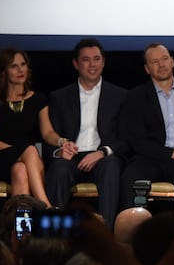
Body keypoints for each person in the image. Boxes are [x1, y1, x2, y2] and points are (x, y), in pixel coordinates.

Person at [44, 38, 128, 230]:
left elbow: (126, 139)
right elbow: (48, 139)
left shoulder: (120, 96)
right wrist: (60, 151)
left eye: (97, 59)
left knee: (111, 166)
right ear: (76, 64)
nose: (92, 65)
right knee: (58, 169)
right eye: (86, 59)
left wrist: (102, 152)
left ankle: (106, 233)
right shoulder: (59, 97)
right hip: (71, 158)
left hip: (102, 157)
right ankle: (55, 236)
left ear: (103, 62)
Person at [0, 47, 67, 207]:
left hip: (27, 162)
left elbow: (47, 133)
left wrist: (61, 141)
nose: (20, 70)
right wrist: (22, 153)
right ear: (4, 71)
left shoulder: (38, 100)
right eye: (14, 66)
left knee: (20, 170)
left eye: (23, 64)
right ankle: (45, 206)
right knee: (30, 151)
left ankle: (21, 223)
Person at [119, 43, 174, 209]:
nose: (161, 64)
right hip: (150, 157)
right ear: (147, 68)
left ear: (172, 61)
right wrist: (171, 153)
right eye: (155, 62)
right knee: (130, 176)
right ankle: (131, 224)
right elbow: (136, 139)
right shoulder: (135, 96)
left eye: (164, 59)